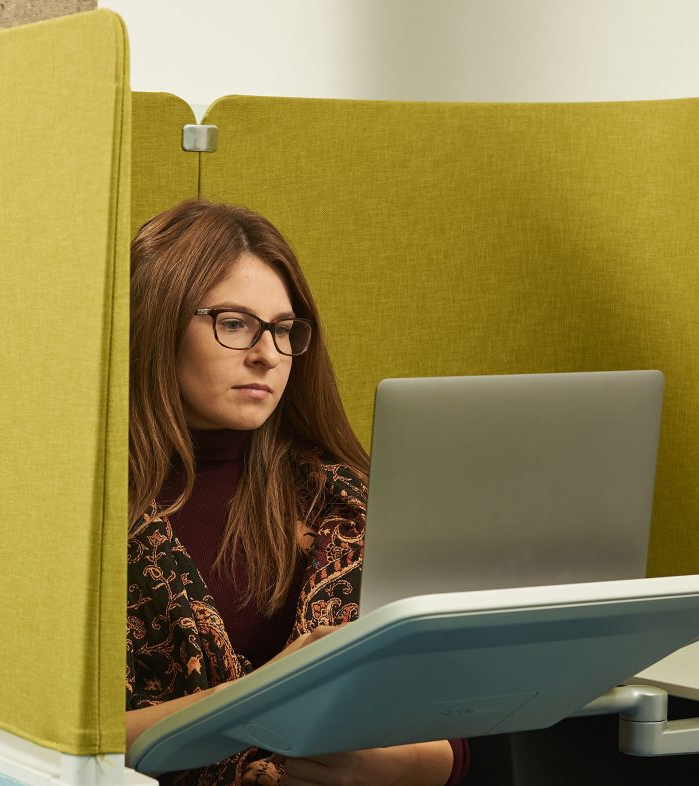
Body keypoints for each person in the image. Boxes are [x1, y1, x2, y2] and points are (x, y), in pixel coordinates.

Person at [124, 199, 470, 786]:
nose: (266, 354)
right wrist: (263, 699)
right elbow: (58, 736)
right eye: (233, 324)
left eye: (283, 330)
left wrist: (381, 767)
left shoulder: (345, 503)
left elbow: (450, 726)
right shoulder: (87, 511)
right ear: (156, 320)